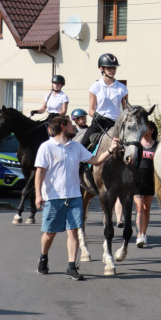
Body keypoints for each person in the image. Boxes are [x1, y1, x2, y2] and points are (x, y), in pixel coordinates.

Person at [34, 115, 118, 280]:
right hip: (53, 197)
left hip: (74, 197)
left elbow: (95, 160)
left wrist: (110, 150)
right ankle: (43, 256)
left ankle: (71, 266)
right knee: (50, 233)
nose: (74, 127)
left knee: (73, 231)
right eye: (71, 125)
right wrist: (38, 194)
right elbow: (40, 172)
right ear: (62, 127)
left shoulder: (76, 147)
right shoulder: (47, 147)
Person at [82, 53, 128, 152]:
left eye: (114, 68)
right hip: (100, 122)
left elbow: (125, 109)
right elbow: (90, 109)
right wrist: (95, 115)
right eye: (109, 68)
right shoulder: (95, 87)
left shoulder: (122, 88)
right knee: (82, 145)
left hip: (116, 123)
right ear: (101, 68)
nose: (112, 70)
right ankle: (82, 166)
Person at [133, 120, 158, 248]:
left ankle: (144, 233)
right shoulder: (136, 145)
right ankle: (139, 235)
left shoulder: (157, 145)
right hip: (137, 179)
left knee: (146, 208)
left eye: (146, 128)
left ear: (152, 130)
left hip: (150, 179)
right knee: (139, 207)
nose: (144, 131)